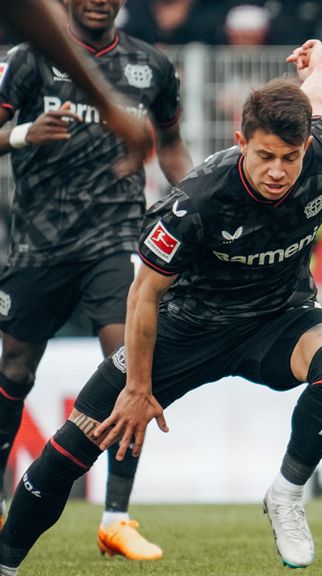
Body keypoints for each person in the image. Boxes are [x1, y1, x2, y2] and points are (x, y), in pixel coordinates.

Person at [0, 39, 322, 574]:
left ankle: (285, 494)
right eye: (265, 156)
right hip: (188, 327)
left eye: (291, 156)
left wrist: (320, 66)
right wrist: (139, 390)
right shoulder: (198, 200)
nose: (279, 171)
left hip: (277, 320)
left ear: (307, 146)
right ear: (241, 142)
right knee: (80, 440)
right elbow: (144, 295)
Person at [0, 0, 193, 560]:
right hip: (37, 244)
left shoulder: (151, 66)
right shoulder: (29, 59)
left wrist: (194, 207)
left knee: (129, 362)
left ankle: (116, 517)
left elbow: (172, 147)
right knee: (14, 369)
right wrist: (21, 135)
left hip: (114, 239)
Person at [0, 0, 150, 168]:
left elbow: (171, 145)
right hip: (46, 192)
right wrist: (25, 134)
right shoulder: (26, 58)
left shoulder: (151, 62)